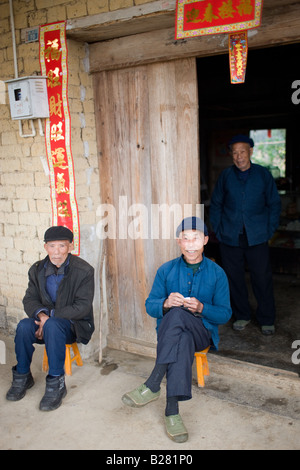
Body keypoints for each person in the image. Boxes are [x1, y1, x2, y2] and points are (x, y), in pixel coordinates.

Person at [122, 217, 231, 443]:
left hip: (203, 333)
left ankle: (153, 384)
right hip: (175, 336)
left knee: (179, 316)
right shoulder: (166, 270)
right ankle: (172, 411)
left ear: (206, 240)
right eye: (185, 239)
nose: (190, 244)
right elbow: (150, 305)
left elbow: (225, 314)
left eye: (196, 238)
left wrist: (202, 307)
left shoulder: (217, 273)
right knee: (180, 335)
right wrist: (165, 303)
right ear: (178, 241)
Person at [6, 226, 95, 411]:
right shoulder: (37, 269)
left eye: (62, 246)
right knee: (23, 326)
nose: (57, 252)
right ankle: (23, 376)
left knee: (53, 325)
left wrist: (51, 317)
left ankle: (56, 383)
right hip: (45, 320)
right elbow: (29, 298)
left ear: (70, 246)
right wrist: (41, 315)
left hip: (74, 325)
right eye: (52, 246)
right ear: (45, 247)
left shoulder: (84, 270)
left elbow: (82, 307)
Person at [209, 134, 281, 335]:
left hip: (257, 236)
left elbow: (274, 204)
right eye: (234, 152)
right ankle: (242, 315)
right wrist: (219, 229)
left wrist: (269, 229)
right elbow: (216, 204)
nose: (239, 156)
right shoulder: (226, 176)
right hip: (230, 236)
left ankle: (267, 318)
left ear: (250, 152)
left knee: (262, 277)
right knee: (234, 278)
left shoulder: (263, 174)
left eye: (242, 151)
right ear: (231, 155)